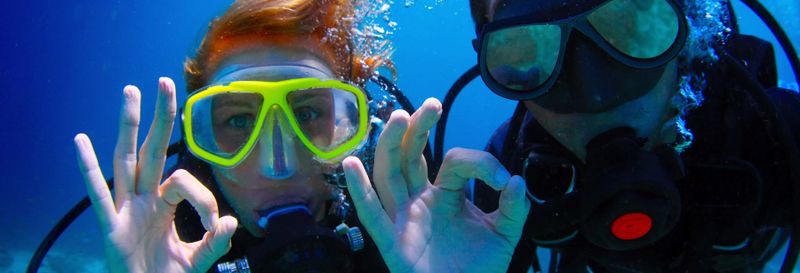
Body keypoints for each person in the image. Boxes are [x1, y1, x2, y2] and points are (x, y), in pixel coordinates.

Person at [73, 0, 530, 272]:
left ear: (355, 130)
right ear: (200, 144)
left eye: (309, 113)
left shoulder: (413, 228)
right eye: (237, 122)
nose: (279, 165)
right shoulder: (173, 236)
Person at [463, 0, 800, 272]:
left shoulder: (776, 135)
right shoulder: (507, 184)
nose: (593, 93)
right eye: (526, 49)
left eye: (628, 27)